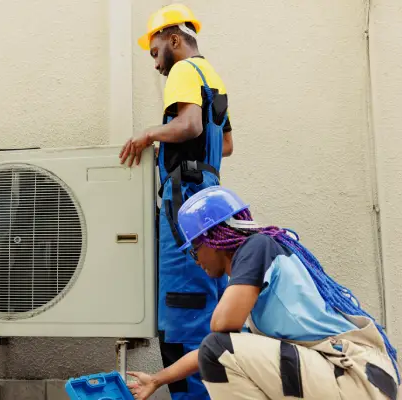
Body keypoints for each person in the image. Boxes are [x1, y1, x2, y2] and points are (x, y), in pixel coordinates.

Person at [127, 186, 400, 400]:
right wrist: (157, 379)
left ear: (213, 238)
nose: (195, 259)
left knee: (219, 349)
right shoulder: (264, 279)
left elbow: (219, 330)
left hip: (353, 376)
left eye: (194, 248)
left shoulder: (257, 247)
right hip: (353, 375)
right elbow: (211, 352)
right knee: (223, 352)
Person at [119, 4, 234, 399]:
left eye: (154, 52)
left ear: (173, 39)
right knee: (208, 304)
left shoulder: (184, 70)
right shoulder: (212, 75)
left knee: (182, 311)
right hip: (211, 198)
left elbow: (190, 125)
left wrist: (148, 134)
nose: (155, 65)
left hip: (185, 198)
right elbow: (227, 144)